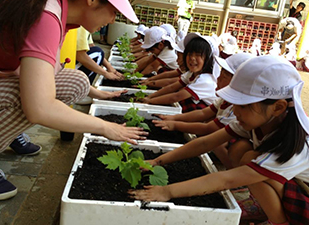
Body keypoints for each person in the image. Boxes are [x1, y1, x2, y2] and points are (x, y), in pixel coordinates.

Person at [0, 0, 148, 201]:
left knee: (76, 82)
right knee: (27, 97)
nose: (112, 20)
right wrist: (105, 127)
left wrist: (99, 94)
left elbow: (53, 70)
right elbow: (39, 108)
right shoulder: (45, 16)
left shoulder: (55, 9)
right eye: (113, 11)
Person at [130, 55, 309, 225]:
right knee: (244, 154)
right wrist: (157, 160)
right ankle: (260, 206)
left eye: (244, 105)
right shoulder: (264, 120)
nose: (236, 112)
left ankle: (278, 222)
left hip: (303, 201)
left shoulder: (290, 145)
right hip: (288, 183)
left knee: (251, 165)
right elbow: (206, 142)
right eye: (235, 104)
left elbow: (226, 180)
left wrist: (167, 191)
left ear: (278, 107)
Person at [152, 53, 254, 169]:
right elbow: (204, 113)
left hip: (239, 146)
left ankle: (233, 171)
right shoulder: (225, 100)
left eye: (224, 76)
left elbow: (207, 129)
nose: (218, 78)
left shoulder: (235, 109)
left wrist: (175, 125)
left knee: (224, 143)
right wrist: (172, 118)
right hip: (225, 133)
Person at [143, 33, 218, 113]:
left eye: (198, 55)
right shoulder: (191, 73)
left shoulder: (205, 79)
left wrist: (150, 101)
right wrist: (150, 97)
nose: (192, 58)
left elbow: (176, 97)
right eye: (189, 54)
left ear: (208, 59)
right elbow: (172, 87)